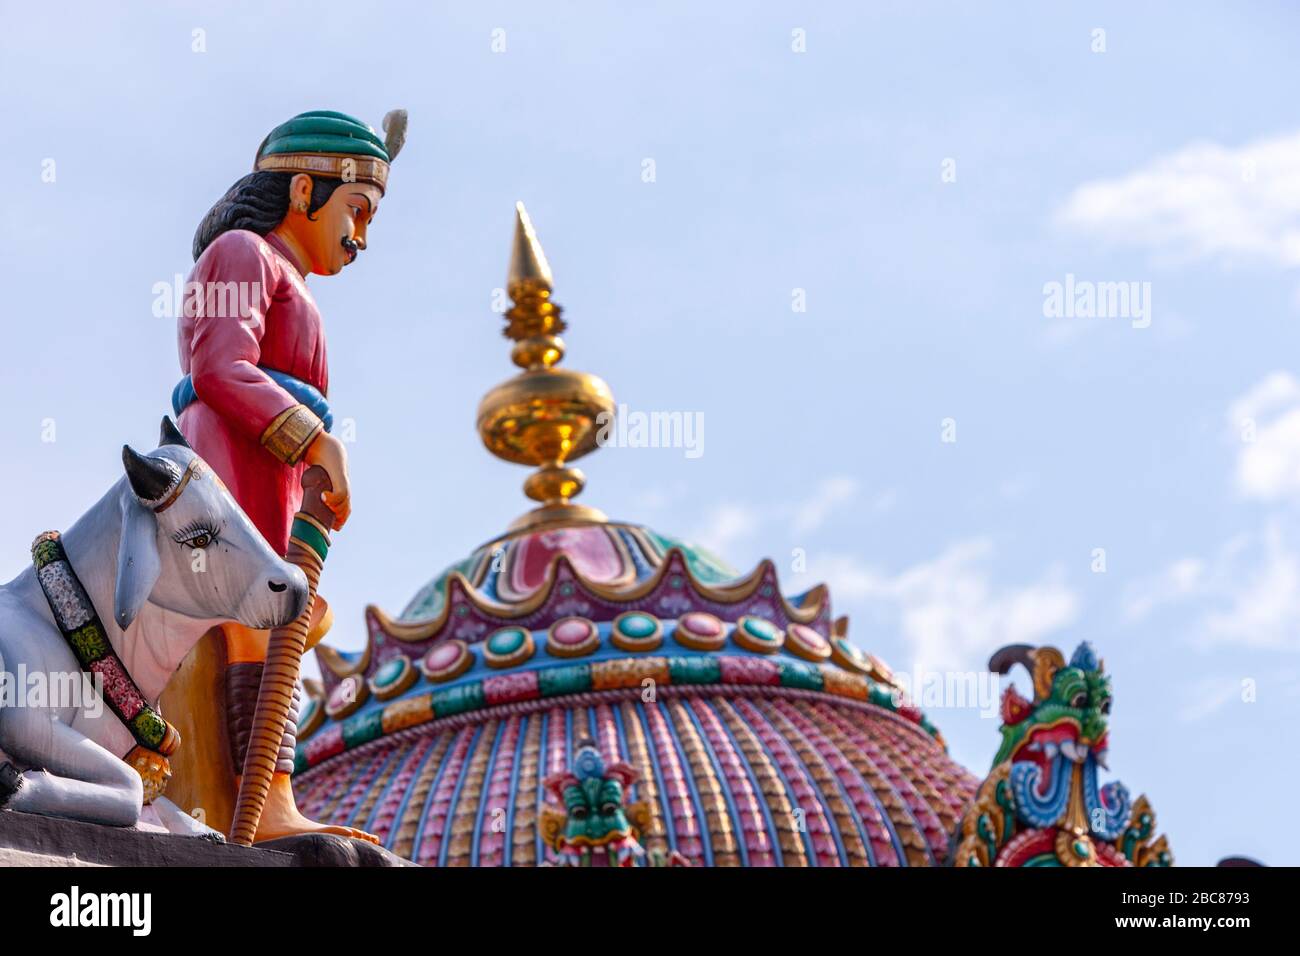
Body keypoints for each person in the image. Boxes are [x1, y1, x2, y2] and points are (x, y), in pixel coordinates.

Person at [161, 110, 406, 843]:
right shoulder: (242, 254)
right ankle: (258, 799)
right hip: (236, 449)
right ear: (304, 189)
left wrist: (307, 455)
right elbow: (218, 367)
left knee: (284, 621)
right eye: (355, 210)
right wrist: (314, 440)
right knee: (257, 616)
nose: (360, 236)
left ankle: (261, 792)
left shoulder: (294, 283)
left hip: (275, 463)